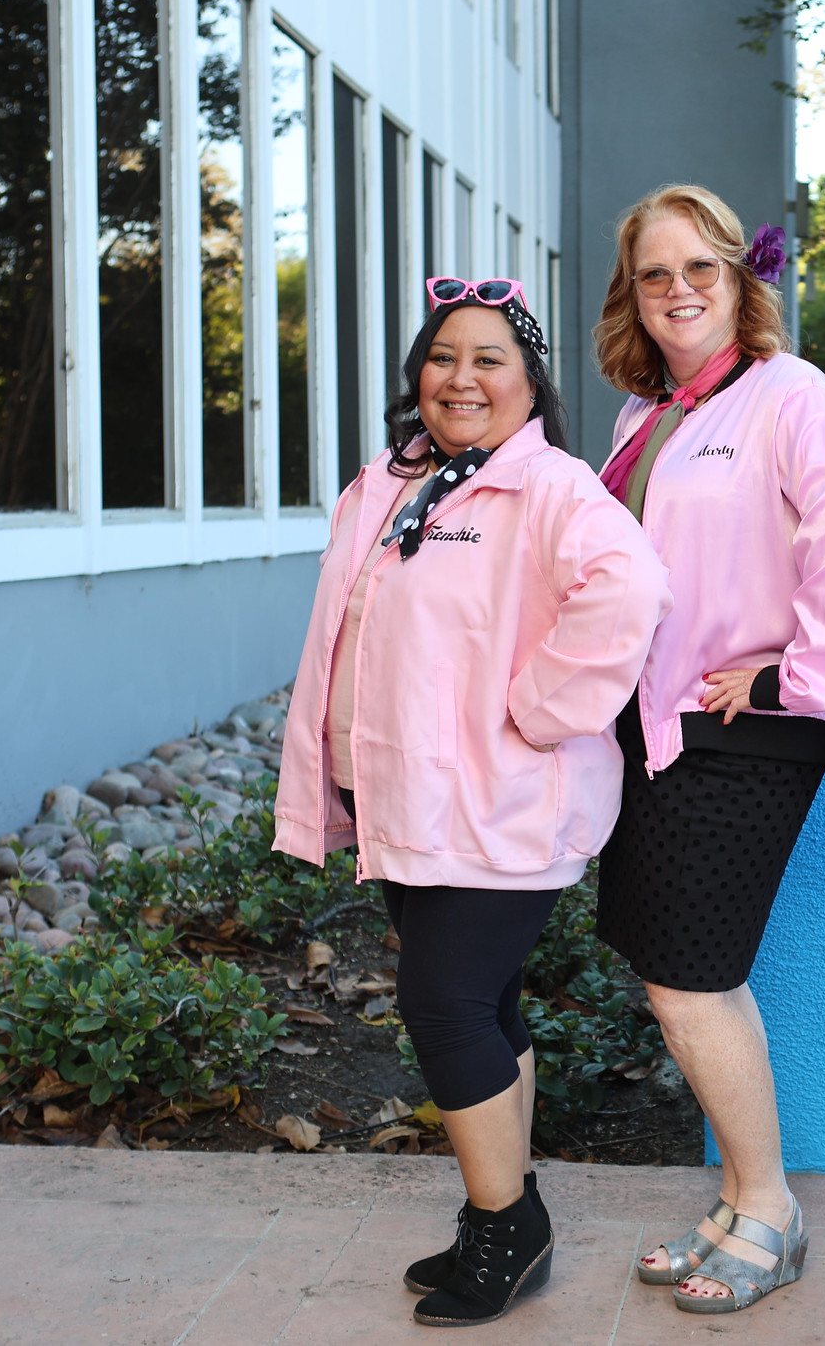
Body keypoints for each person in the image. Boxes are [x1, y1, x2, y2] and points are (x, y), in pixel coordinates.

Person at [274, 278, 671, 1329]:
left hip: (498, 802)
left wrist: (539, 710)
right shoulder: (396, 482)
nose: (461, 378)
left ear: (528, 380)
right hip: (405, 794)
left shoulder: (549, 490)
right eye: (444, 356)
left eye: (489, 358)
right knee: (484, 1004)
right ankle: (507, 1209)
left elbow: (628, 589)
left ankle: (505, 1226)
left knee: (441, 1005)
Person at [589, 184, 825, 1313]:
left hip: (747, 731)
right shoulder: (642, 415)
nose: (677, 291)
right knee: (687, 976)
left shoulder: (790, 396)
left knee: (689, 981)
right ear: (633, 292)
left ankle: (770, 1208)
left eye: (699, 269)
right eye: (654, 274)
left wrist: (790, 678)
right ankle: (733, 1198)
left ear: (739, 281)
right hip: (657, 730)